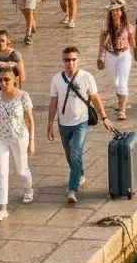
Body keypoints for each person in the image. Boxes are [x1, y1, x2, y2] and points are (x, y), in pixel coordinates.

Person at [47, 46, 113, 204]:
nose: (70, 63)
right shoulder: (56, 79)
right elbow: (53, 102)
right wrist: (49, 123)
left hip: (81, 122)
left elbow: (95, 98)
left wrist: (104, 118)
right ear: (63, 61)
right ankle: (80, 173)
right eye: (67, 60)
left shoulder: (87, 77)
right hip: (63, 123)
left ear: (78, 60)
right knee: (70, 155)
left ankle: (72, 189)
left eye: (73, 59)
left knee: (76, 153)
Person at [0, 64, 34, 220]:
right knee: (1, 172)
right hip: (1, 138)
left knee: (21, 169)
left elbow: (30, 120)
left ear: (15, 80)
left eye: (6, 80)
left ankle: (28, 188)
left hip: (19, 137)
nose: (3, 83)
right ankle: (2, 208)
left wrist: (32, 141)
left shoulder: (23, 96)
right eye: (0, 80)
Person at [97, 0, 133, 120]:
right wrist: (100, 56)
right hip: (110, 55)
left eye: (117, 10)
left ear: (121, 12)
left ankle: (122, 109)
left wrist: (136, 51)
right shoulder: (107, 25)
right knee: (115, 82)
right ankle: (121, 100)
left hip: (124, 55)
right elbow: (102, 40)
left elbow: (132, 38)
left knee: (123, 82)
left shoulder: (127, 24)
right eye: (113, 11)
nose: (115, 13)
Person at [0, 30, 25, 96]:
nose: (0, 43)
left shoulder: (14, 55)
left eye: (2, 40)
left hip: (10, 90)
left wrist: (18, 92)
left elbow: (22, 76)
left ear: (8, 41)